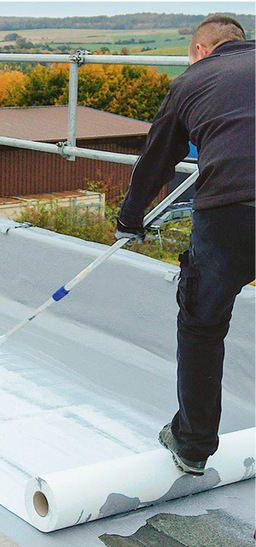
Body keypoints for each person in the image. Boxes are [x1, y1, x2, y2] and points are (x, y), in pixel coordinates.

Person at [115, 14, 254, 475]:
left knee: (201, 324)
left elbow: (156, 158)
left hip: (230, 209)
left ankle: (192, 447)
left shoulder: (191, 81)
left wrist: (130, 219)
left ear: (200, 51)